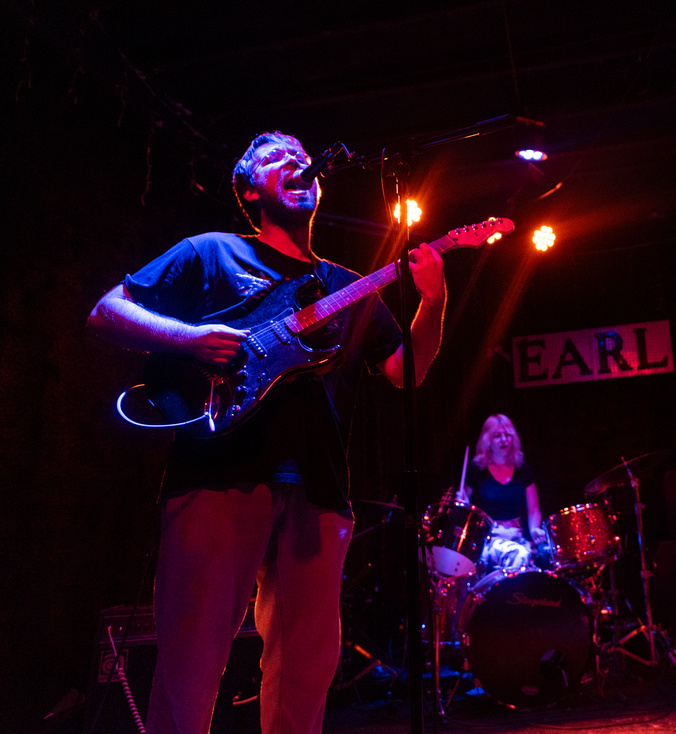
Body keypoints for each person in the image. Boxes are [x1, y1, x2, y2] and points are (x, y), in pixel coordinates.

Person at [87, 131, 446, 734]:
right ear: (250, 190)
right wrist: (188, 337)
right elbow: (107, 310)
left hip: (319, 485)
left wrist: (432, 299)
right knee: (192, 662)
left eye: (303, 159)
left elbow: (405, 372)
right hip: (218, 472)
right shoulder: (212, 252)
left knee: (306, 673)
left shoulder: (344, 284)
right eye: (280, 160)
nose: (299, 165)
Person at [455, 414, 546, 571]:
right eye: (497, 436)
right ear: (487, 441)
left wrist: (534, 529)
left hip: (517, 537)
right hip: (488, 539)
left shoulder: (522, 469)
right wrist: (462, 502)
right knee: (519, 555)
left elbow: (533, 510)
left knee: (545, 555)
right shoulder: (477, 469)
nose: (504, 440)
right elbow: (464, 503)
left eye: (507, 435)